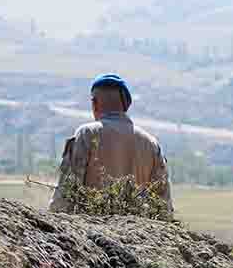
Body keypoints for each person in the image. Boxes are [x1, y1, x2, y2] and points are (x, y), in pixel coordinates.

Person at [50, 74, 173, 214]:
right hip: (135, 231)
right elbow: (163, 205)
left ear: (94, 103)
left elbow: (66, 193)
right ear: (126, 105)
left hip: (91, 229)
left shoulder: (87, 134)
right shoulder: (151, 144)